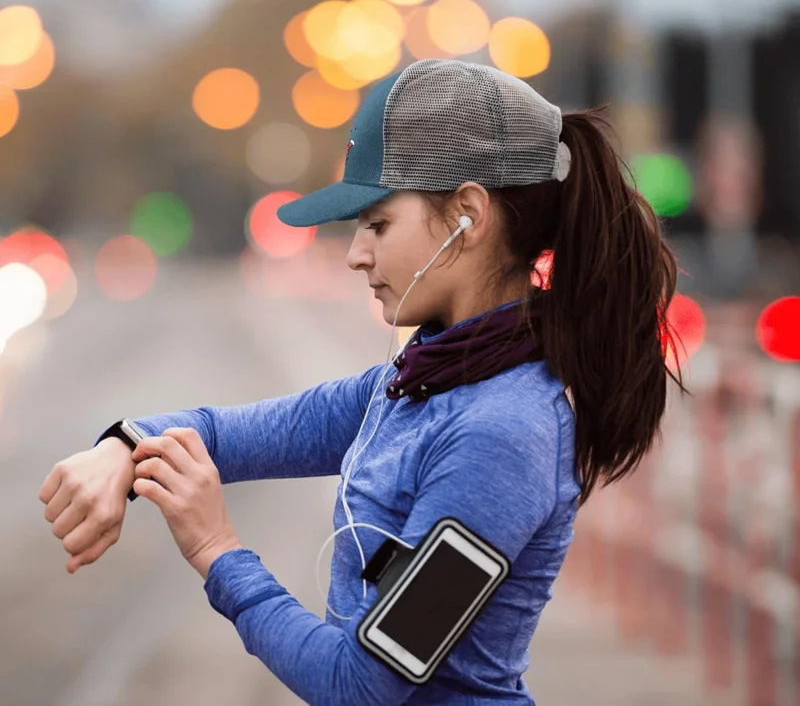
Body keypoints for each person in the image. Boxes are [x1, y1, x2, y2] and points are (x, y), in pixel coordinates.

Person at [39, 59, 685, 705]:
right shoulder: (408, 387)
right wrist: (120, 448)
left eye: (378, 224)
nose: (356, 254)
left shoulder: (505, 434)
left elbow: (361, 687)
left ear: (467, 214)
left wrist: (216, 549)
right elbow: (220, 434)